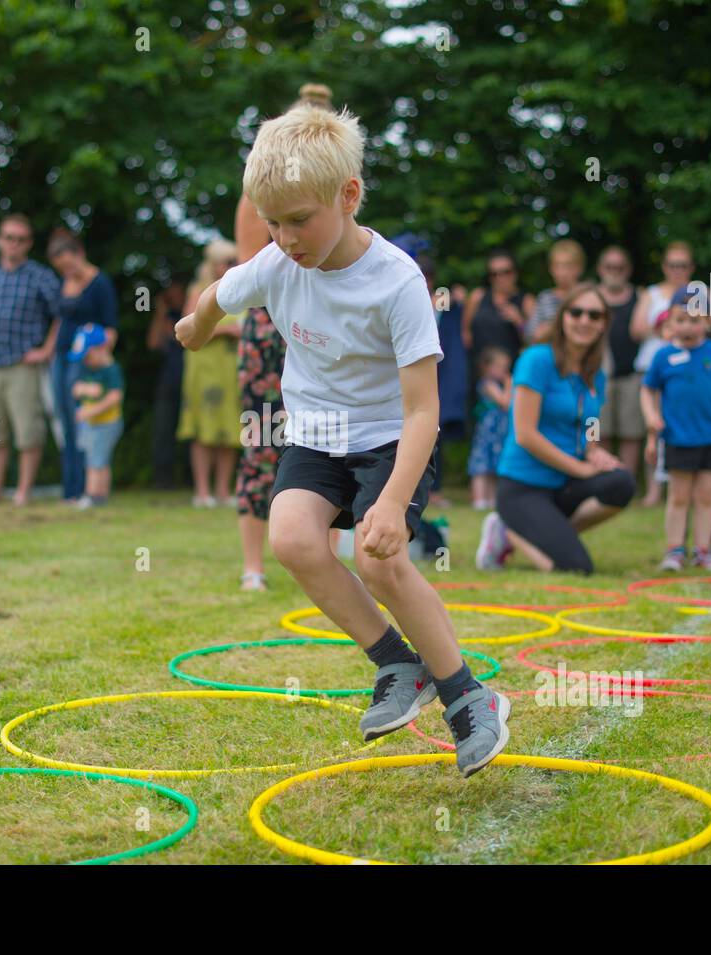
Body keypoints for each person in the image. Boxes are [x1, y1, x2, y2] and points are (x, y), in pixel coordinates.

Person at [177, 101, 510, 777]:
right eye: (272, 221)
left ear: (348, 194)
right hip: (318, 433)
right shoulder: (276, 261)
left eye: (299, 219)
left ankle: (468, 696)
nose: (285, 236)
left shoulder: (395, 282)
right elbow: (223, 288)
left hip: (393, 434)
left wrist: (388, 504)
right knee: (292, 538)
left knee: (381, 557)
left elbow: (424, 410)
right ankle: (395, 664)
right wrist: (196, 323)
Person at [232, 82, 332, 589]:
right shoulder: (260, 194)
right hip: (270, 330)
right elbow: (253, 271)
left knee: (331, 440)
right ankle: (254, 568)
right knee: (263, 438)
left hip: (320, 327)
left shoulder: (332, 194)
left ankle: (328, 566)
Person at [477, 284, 635, 574]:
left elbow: (590, 424)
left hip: (563, 487)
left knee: (622, 481)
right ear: (563, 317)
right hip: (523, 489)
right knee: (577, 568)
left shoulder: (595, 373)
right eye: (577, 312)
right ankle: (509, 532)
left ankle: (545, 535)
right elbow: (525, 434)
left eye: (594, 315)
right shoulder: (536, 359)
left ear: (603, 325)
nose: (584, 321)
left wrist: (594, 453)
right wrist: (580, 469)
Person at [641, 287, 711, 571]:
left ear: (708, 322)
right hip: (678, 438)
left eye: (695, 319)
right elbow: (647, 390)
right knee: (679, 496)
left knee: (707, 496)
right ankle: (674, 550)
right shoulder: (663, 357)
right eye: (681, 319)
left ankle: (703, 551)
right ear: (670, 323)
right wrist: (651, 418)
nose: (688, 326)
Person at [0, 213, 61, 507]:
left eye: (20, 240)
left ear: (28, 244)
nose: (13, 244)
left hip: (24, 365)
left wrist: (46, 350)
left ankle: (23, 492)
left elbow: (63, 315)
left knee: (28, 431)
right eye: (9, 238)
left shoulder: (41, 276)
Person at [47, 229, 118, 503]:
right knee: (66, 421)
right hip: (62, 358)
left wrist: (99, 366)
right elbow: (59, 322)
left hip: (86, 362)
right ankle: (71, 488)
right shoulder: (64, 283)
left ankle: (90, 489)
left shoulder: (100, 284)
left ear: (80, 254)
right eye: (60, 267)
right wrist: (47, 350)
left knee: (83, 422)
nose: (66, 270)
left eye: (68, 264)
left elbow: (111, 327)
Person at [177, 239, 244, 508]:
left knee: (229, 429)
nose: (231, 266)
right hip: (204, 367)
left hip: (230, 368)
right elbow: (185, 329)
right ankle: (202, 492)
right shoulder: (199, 291)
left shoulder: (240, 291)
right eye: (226, 262)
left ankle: (223, 491)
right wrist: (227, 331)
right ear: (213, 263)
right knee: (203, 429)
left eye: (234, 261)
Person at [418, 251, 467, 509]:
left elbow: (455, 307)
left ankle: (434, 490)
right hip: (411, 377)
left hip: (440, 378)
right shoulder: (403, 300)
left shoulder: (442, 303)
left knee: (437, 437)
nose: (424, 282)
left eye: (428, 277)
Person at [596, 246, 650, 476]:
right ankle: (601, 480)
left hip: (631, 375)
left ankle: (626, 482)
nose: (614, 271)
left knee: (632, 433)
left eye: (619, 267)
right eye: (609, 266)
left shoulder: (640, 296)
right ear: (600, 269)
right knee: (600, 432)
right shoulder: (592, 297)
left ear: (627, 269)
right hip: (597, 375)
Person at [68, 323, 124, 510]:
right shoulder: (88, 368)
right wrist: (85, 389)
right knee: (96, 459)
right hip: (91, 424)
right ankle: (100, 497)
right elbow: (76, 389)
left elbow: (115, 397)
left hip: (106, 423)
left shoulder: (111, 370)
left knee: (96, 461)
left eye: (87, 355)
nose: (84, 361)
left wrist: (92, 410)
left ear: (101, 349)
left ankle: (92, 496)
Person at [462, 249, 533, 380]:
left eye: (506, 272)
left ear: (515, 273)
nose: (500, 278)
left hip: (510, 376)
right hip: (478, 376)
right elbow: (466, 335)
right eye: (494, 274)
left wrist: (519, 322)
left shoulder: (526, 301)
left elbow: (533, 341)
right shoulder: (477, 297)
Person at [146, 276, 190, 489]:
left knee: (193, 431)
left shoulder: (194, 313)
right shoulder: (165, 316)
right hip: (168, 380)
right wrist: (160, 312)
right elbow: (153, 343)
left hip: (192, 379)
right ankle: (163, 479)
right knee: (163, 430)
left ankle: (190, 479)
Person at [633, 310, 675, 506]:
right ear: (658, 330)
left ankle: (676, 491)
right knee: (654, 450)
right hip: (658, 411)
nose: (672, 331)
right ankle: (653, 491)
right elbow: (649, 385)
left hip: (680, 416)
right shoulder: (655, 351)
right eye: (666, 327)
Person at [467, 346, 512, 512]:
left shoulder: (496, 384)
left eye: (505, 368)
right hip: (488, 433)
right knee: (482, 466)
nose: (503, 372)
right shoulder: (488, 384)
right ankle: (479, 499)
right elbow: (505, 403)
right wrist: (509, 386)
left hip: (498, 434)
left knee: (494, 467)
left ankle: (492, 499)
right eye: (500, 367)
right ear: (487, 367)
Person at [524, 239, 585, 342]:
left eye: (567, 266)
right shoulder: (545, 298)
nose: (562, 272)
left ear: (579, 268)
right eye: (557, 266)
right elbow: (530, 335)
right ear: (551, 269)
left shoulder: (588, 296)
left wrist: (549, 328)